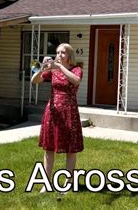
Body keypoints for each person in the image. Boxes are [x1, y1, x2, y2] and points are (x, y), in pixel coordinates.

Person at [31, 43, 84, 193]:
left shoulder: (76, 69)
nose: (59, 55)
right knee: (49, 149)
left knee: (70, 150)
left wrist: (59, 67)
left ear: (69, 56)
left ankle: (68, 183)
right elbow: (34, 81)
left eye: (63, 53)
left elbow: (76, 80)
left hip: (69, 112)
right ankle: (46, 184)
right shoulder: (52, 71)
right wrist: (42, 67)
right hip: (52, 112)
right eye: (57, 52)